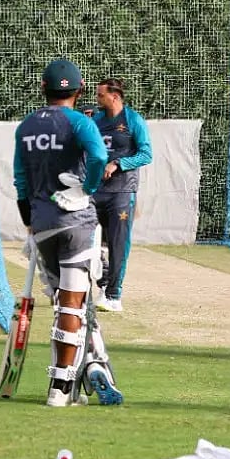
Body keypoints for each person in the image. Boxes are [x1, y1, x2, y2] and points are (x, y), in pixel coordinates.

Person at [12, 58, 123, 408]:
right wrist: (87, 188)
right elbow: (98, 156)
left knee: (68, 302)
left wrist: (30, 221)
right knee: (72, 305)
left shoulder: (26, 126)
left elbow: (19, 181)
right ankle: (60, 387)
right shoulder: (81, 123)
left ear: (43, 88)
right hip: (77, 224)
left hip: (42, 224)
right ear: (79, 90)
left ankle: (94, 362)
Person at [91, 78, 153, 312]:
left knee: (118, 244)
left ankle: (113, 295)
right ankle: (102, 278)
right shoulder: (96, 120)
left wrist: (118, 163)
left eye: (100, 95)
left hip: (122, 191)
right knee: (84, 237)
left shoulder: (133, 120)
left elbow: (146, 154)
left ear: (114, 97)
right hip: (95, 190)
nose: (97, 99)